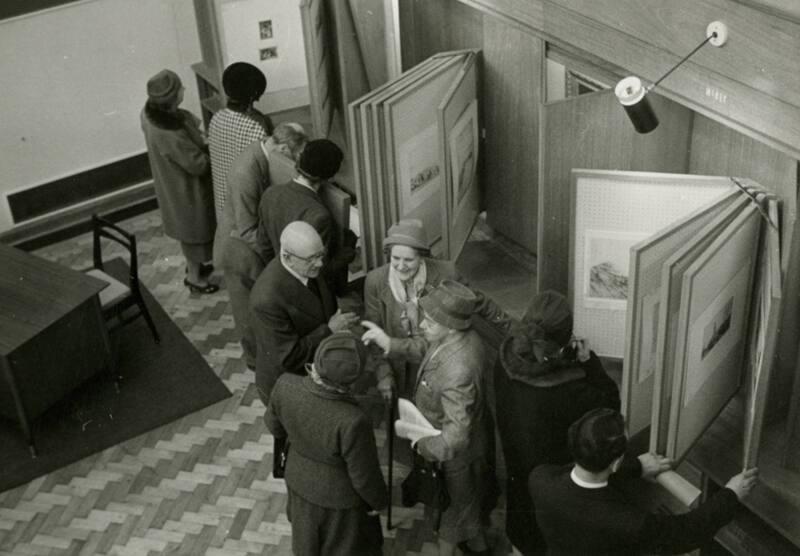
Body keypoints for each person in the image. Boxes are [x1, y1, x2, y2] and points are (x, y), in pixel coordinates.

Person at [362, 280, 495, 556]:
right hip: (460, 453)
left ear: (451, 326)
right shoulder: (457, 337)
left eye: (431, 322)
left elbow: (455, 438)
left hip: (454, 460)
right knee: (463, 512)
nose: (422, 325)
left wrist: (419, 445)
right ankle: (480, 548)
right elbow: (427, 347)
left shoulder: (459, 369)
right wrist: (389, 343)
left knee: (450, 517)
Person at [529, 408, 759, 556]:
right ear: (616, 462)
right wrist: (731, 494)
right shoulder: (629, 522)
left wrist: (638, 467)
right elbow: (686, 532)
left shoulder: (540, 479)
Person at [494, 290, 620, 555]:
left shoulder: (504, 358)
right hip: (554, 484)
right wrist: (588, 361)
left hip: (516, 468)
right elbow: (609, 407)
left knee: (522, 535)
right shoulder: (570, 391)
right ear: (566, 339)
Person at [264, 332, 388, 555]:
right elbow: (363, 477)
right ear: (352, 380)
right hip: (339, 502)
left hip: (298, 481)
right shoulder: (353, 420)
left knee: (307, 544)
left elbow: (274, 427)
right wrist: (378, 502)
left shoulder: (285, 385)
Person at [363, 218, 511, 401]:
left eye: (409, 260)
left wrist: (513, 330)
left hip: (436, 362)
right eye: (395, 258)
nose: (401, 266)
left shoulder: (446, 273)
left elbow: (480, 302)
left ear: (422, 256)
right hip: (399, 365)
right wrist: (384, 374)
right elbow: (373, 331)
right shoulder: (375, 281)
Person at [213, 123, 308, 369]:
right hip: (239, 249)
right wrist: (277, 257)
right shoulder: (246, 171)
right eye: (295, 157)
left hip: (246, 243)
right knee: (247, 310)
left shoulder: (263, 153)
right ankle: (256, 363)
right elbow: (247, 230)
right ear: (284, 148)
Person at [250, 221, 359, 404]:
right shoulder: (266, 300)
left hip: (315, 370)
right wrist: (330, 329)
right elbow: (288, 358)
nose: (320, 263)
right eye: (312, 259)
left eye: (320, 255)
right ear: (287, 257)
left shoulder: (305, 264)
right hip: (289, 389)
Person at [140, 69, 218, 294]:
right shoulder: (169, 133)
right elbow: (198, 165)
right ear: (172, 98)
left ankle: (195, 269)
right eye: (180, 88)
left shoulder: (148, 116)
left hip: (170, 184)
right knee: (195, 232)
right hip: (187, 190)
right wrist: (212, 148)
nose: (184, 90)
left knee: (189, 231)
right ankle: (195, 278)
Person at [255, 138, 354, 293]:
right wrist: (349, 253)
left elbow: (263, 245)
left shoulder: (270, 194)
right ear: (330, 177)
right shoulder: (319, 216)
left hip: (279, 279)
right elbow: (319, 270)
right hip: (306, 291)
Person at [208, 62, 274, 222]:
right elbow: (267, 173)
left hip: (224, 204)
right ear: (253, 97)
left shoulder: (216, 118)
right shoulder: (255, 128)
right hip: (247, 209)